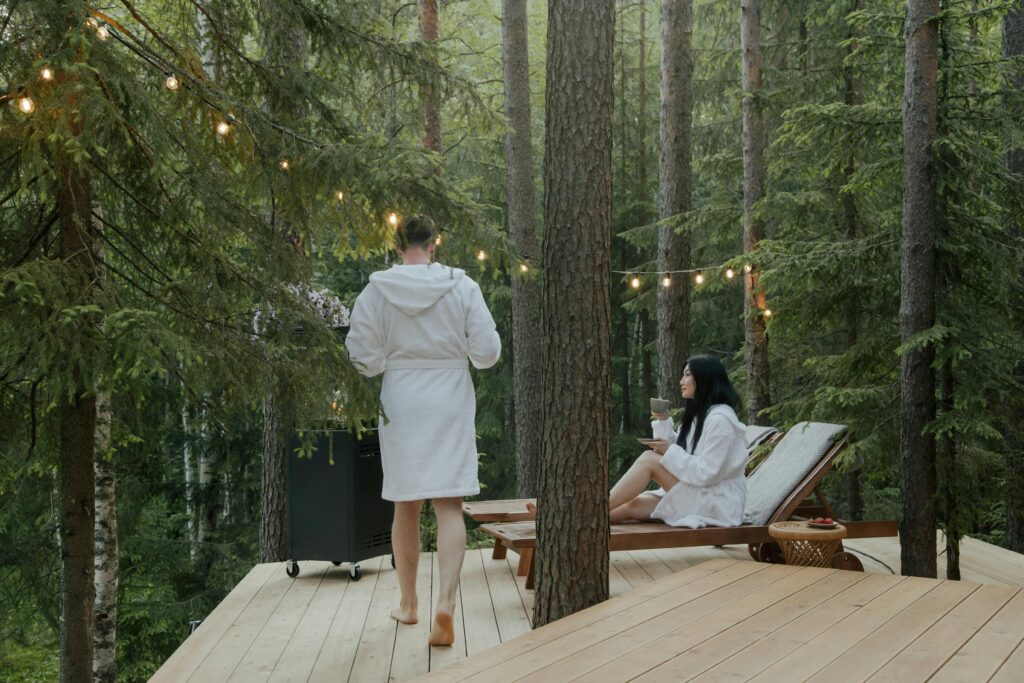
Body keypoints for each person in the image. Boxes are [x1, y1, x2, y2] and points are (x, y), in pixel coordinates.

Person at [346, 215, 500, 646]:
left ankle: (410, 604)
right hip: (449, 394)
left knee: (405, 504)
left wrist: (390, 359)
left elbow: (363, 359)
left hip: (402, 398)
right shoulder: (463, 286)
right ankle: (446, 604)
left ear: (398, 248)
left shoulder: (376, 291)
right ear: (434, 245)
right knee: (449, 503)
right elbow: (487, 354)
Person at [527, 354, 746, 527]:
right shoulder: (701, 416)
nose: (681, 381)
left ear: (705, 378)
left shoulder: (721, 420)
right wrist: (663, 421)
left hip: (716, 502)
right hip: (699, 494)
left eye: (687, 375)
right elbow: (680, 453)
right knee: (630, 506)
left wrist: (668, 450)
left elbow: (708, 473)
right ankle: (566, 520)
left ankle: (576, 513)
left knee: (649, 461)